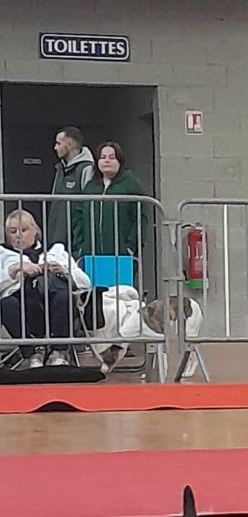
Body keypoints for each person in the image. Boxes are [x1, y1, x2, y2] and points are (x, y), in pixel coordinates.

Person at [0, 209, 91, 368]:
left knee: (63, 296)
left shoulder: (56, 250)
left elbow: (85, 282)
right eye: (12, 232)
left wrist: (64, 270)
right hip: (23, 305)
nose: (18, 235)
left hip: (56, 303)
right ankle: (31, 353)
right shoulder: (3, 253)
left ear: (35, 231)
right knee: (7, 303)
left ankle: (59, 351)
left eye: (23, 230)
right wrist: (12, 272)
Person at [74, 141, 148, 262]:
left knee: (120, 282)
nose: (106, 161)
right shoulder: (90, 186)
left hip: (122, 254)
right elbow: (78, 215)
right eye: (102, 157)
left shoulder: (131, 184)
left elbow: (140, 217)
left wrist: (130, 246)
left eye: (112, 157)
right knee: (92, 281)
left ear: (120, 161)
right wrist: (81, 244)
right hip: (90, 254)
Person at [49, 127, 94, 252]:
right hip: (57, 238)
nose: (55, 148)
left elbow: (88, 206)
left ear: (69, 145)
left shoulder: (87, 169)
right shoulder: (59, 169)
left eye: (58, 143)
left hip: (75, 241)